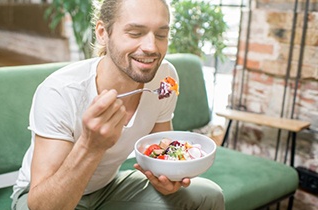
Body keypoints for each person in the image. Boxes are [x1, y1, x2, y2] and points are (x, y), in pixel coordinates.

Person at [11, 0, 225, 209]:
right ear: (103, 33)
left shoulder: (164, 78)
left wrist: (168, 179)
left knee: (208, 195)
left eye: (161, 35)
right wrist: (89, 145)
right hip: (41, 197)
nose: (152, 47)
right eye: (135, 33)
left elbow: (160, 150)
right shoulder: (60, 91)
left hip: (106, 188)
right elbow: (42, 206)